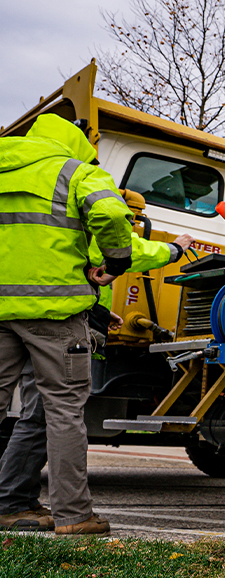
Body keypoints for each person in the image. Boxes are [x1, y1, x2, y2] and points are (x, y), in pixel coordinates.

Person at [0, 222, 194, 532]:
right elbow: (120, 250)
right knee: (47, 415)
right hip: (52, 319)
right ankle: (17, 503)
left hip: (17, 313)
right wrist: (174, 249)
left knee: (35, 414)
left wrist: (99, 314)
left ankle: (17, 498)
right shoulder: (75, 188)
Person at [0, 114, 135, 536]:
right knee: (62, 411)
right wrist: (116, 261)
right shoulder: (75, 172)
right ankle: (74, 516)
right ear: (76, 142)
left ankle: (8, 505)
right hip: (55, 313)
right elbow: (112, 212)